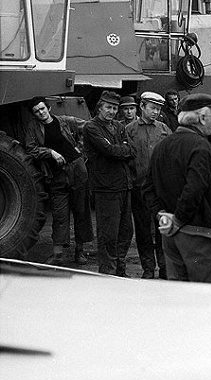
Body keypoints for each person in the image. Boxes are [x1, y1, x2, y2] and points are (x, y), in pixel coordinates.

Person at [143, 93, 211, 283]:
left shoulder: (162, 146)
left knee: (179, 302)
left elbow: (147, 187)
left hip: (171, 236)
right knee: (206, 303)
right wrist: (179, 219)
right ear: (201, 117)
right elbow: (194, 189)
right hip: (201, 237)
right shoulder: (201, 147)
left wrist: (162, 215)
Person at [25, 97, 94, 265]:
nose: (40, 113)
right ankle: (57, 254)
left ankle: (80, 251)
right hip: (56, 175)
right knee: (59, 215)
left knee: (81, 212)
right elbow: (31, 149)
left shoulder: (65, 121)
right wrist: (50, 152)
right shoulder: (33, 127)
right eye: (36, 111)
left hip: (77, 170)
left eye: (42, 109)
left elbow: (90, 127)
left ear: (48, 108)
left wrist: (81, 149)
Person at [83, 90, 135, 276]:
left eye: (114, 108)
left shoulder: (119, 127)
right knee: (108, 234)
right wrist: (121, 149)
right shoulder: (91, 127)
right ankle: (108, 273)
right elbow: (109, 150)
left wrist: (120, 149)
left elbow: (131, 150)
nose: (111, 111)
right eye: (108, 107)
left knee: (126, 231)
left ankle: (120, 270)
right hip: (106, 188)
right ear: (99, 108)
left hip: (124, 185)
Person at [125, 92, 171, 279]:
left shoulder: (164, 129)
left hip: (161, 190)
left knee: (164, 229)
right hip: (140, 189)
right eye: (152, 108)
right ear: (142, 106)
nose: (155, 112)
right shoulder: (129, 129)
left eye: (158, 109)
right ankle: (148, 268)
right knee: (143, 231)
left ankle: (166, 267)